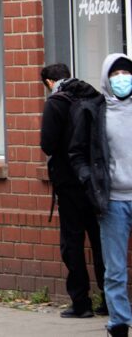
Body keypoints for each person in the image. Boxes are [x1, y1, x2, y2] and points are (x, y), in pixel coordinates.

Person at [69, 54, 132, 337]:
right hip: (113, 201)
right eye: (116, 73)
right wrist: (89, 180)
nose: (122, 78)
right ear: (107, 78)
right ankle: (118, 323)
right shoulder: (94, 111)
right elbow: (78, 152)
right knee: (115, 269)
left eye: (126, 73)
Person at [40, 63, 107, 319]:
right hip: (96, 183)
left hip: (69, 184)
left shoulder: (55, 102)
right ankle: (109, 300)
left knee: (73, 243)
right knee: (101, 242)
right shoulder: (93, 96)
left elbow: (47, 144)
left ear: (49, 82)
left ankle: (81, 303)